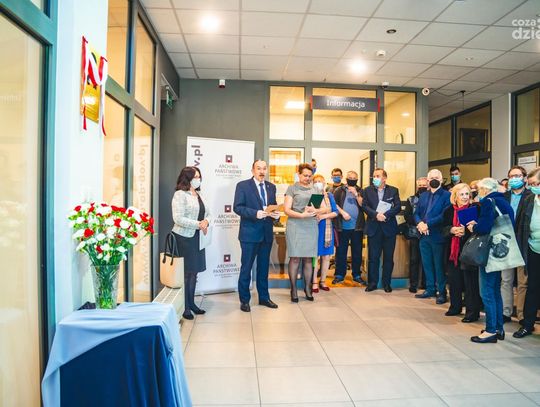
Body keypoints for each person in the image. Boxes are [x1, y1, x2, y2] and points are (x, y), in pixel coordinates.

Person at [467, 177, 514, 343]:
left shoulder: (488, 201)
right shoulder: (504, 201)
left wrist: (473, 226)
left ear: (485, 190)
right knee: (495, 291)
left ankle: (490, 330)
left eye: (479, 190)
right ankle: (498, 328)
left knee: (486, 291)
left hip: (490, 252)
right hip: (501, 250)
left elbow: (484, 227)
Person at [233, 160, 280, 312]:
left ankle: (264, 298)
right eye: (258, 168)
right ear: (252, 170)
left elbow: (272, 206)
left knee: (263, 268)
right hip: (249, 234)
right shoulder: (243, 186)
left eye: (264, 168)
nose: (262, 171)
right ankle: (244, 300)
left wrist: (276, 215)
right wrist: (255, 213)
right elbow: (237, 207)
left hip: (266, 234)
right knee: (246, 268)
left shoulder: (271, 187)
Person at [172, 166, 211, 320]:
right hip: (184, 239)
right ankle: (185, 307)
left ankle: (192, 303)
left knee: (194, 272)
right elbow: (178, 218)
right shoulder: (180, 194)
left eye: (199, 176)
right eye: (195, 176)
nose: (198, 179)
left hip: (198, 238)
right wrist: (198, 224)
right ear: (187, 178)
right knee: (186, 274)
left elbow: (209, 213)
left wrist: (206, 221)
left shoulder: (200, 194)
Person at [284, 163, 327, 302]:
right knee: (295, 258)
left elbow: (325, 208)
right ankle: (293, 289)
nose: (307, 178)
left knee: (309, 258)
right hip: (295, 224)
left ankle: (308, 289)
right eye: (305, 175)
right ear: (299, 174)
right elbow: (287, 209)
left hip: (311, 226)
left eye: (310, 176)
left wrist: (316, 210)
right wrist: (301, 215)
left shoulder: (316, 189)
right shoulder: (292, 188)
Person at [442, 183, 482, 321]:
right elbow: (443, 229)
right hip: (453, 251)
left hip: (470, 250)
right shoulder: (448, 210)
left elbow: (480, 229)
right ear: (455, 196)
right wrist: (452, 230)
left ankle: (472, 313)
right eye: (462, 194)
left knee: (470, 283)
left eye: (467, 194)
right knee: (454, 281)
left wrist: (467, 231)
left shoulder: (475, 208)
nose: (465, 197)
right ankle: (455, 307)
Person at [414, 169, 451, 304]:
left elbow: (444, 215)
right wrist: (419, 223)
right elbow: (416, 213)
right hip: (423, 235)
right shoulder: (423, 195)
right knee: (427, 264)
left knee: (439, 265)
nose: (434, 180)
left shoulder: (447, 195)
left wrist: (427, 225)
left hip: (437, 235)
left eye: (437, 177)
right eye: (431, 178)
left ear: (441, 180)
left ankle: (442, 292)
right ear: (428, 180)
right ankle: (430, 289)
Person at [361, 168, 400, 292]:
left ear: (384, 178)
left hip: (389, 228)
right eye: (374, 176)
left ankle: (386, 283)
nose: (375, 178)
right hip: (374, 228)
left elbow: (398, 207)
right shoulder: (367, 190)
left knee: (388, 258)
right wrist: (376, 215)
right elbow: (364, 206)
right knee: (373, 258)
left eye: (378, 176)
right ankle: (372, 283)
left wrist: (386, 215)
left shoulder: (393, 190)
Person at [513, 167, 540, 338]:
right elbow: (520, 224)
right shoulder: (529, 199)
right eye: (531, 185)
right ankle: (527, 325)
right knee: (532, 287)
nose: (533, 187)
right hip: (532, 249)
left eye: (536, 184)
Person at [503, 165, 532, 323]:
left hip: (523, 243)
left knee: (523, 282)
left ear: (524, 178)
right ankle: (506, 312)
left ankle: (521, 314)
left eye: (517, 176)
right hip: (506, 242)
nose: (514, 179)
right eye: (511, 176)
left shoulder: (530, 196)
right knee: (505, 280)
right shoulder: (504, 197)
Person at [332, 171, 365, 285]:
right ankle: (339, 275)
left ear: (357, 179)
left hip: (357, 227)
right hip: (342, 227)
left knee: (357, 252)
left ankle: (356, 275)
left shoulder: (361, 191)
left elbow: (363, 205)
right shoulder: (339, 190)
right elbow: (334, 204)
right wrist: (342, 212)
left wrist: (356, 194)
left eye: (354, 178)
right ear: (346, 178)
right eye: (350, 177)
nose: (352, 179)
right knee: (341, 252)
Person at [312, 174, 338, 292]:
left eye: (320, 181)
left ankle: (323, 281)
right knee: (315, 256)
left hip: (327, 229)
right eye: (316, 181)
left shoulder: (329, 195)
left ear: (324, 183)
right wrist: (324, 211)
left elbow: (335, 212)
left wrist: (323, 216)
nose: (318, 183)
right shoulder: (312, 196)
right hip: (314, 229)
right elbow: (311, 212)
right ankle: (314, 282)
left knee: (326, 256)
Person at [403, 177, 428, 293]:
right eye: (420, 185)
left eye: (424, 185)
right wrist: (419, 224)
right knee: (414, 259)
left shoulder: (431, 199)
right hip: (414, 233)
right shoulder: (411, 199)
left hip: (428, 232)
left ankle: (425, 284)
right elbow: (407, 216)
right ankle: (413, 284)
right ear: (417, 186)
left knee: (426, 260)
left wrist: (425, 225)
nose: (422, 187)